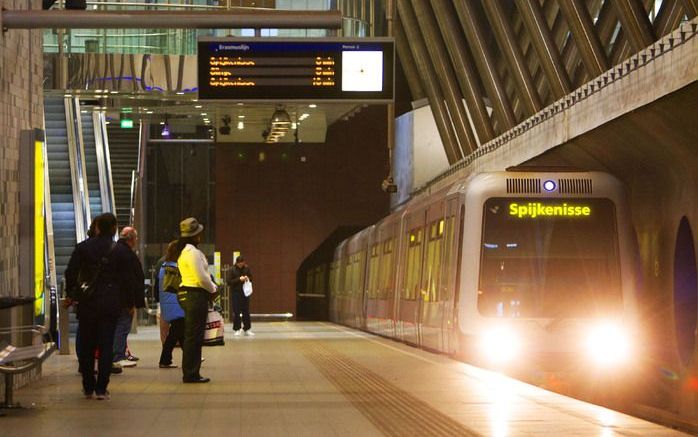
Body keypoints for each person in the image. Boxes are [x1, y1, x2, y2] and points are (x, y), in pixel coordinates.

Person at [64, 213, 138, 400]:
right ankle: (101, 388)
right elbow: (128, 279)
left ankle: (88, 386)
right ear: (114, 228)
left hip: (88, 303)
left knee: (87, 345)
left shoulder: (83, 248)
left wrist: (72, 294)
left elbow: (70, 273)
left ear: (97, 228)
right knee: (106, 346)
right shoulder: (120, 251)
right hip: (110, 304)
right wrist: (129, 302)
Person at [175, 217, 217, 383]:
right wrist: (214, 289)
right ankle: (191, 373)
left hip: (188, 294)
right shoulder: (192, 253)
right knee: (194, 337)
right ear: (196, 235)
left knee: (192, 336)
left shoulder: (183, 251)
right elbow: (201, 277)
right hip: (195, 295)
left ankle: (191, 372)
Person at [111, 227, 146, 372]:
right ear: (131, 239)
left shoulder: (115, 250)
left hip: (115, 296)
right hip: (123, 299)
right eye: (135, 238)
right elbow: (129, 280)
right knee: (122, 326)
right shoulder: (126, 254)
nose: (136, 241)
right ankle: (118, 356)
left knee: (120, 326)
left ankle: (117, 354)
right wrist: (131, 301)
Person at [158, 241, 185, 368]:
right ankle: (165, 360)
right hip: (177, 305)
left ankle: (166, 359)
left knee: (177, 333)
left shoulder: (164, 266)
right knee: (176, 333)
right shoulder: (175, 268)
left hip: (168, 304)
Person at [226, 255, 254, 336]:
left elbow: (251, 277)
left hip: (245, 293)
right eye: (239, 264)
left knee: (246, 311)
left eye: (242, 263)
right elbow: (228, 281)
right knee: (236, 311)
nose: (241, 265)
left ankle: (247, 329)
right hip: (235, 293)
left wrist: (247, 278)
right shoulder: (232, 269)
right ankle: (237, 329)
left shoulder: (247, 268)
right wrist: (239, 279)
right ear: (237, 263)